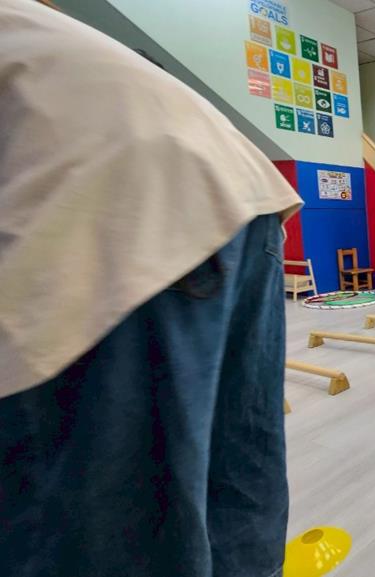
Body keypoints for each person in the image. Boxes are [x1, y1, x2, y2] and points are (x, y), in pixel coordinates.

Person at [0, 2, 303, 575]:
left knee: (113, 532)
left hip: (108, 182)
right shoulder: (38, 29)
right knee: (239, 480)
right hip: (244, 181)